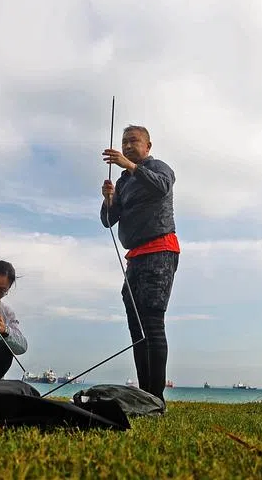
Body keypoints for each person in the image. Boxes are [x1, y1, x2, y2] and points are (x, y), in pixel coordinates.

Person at [100, 124, 178, 401]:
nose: (128, 146)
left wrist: (130, 166)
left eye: (134, 141)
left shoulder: (159, 167)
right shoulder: (122, 182)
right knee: (137, 327)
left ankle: (155, 396)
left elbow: (162, 187)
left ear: (148, 146)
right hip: (135, 256)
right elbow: (109, 221)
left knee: (152, 321)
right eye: (124, 142)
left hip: (159, 250)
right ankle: (145, 394)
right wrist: (108, 200)